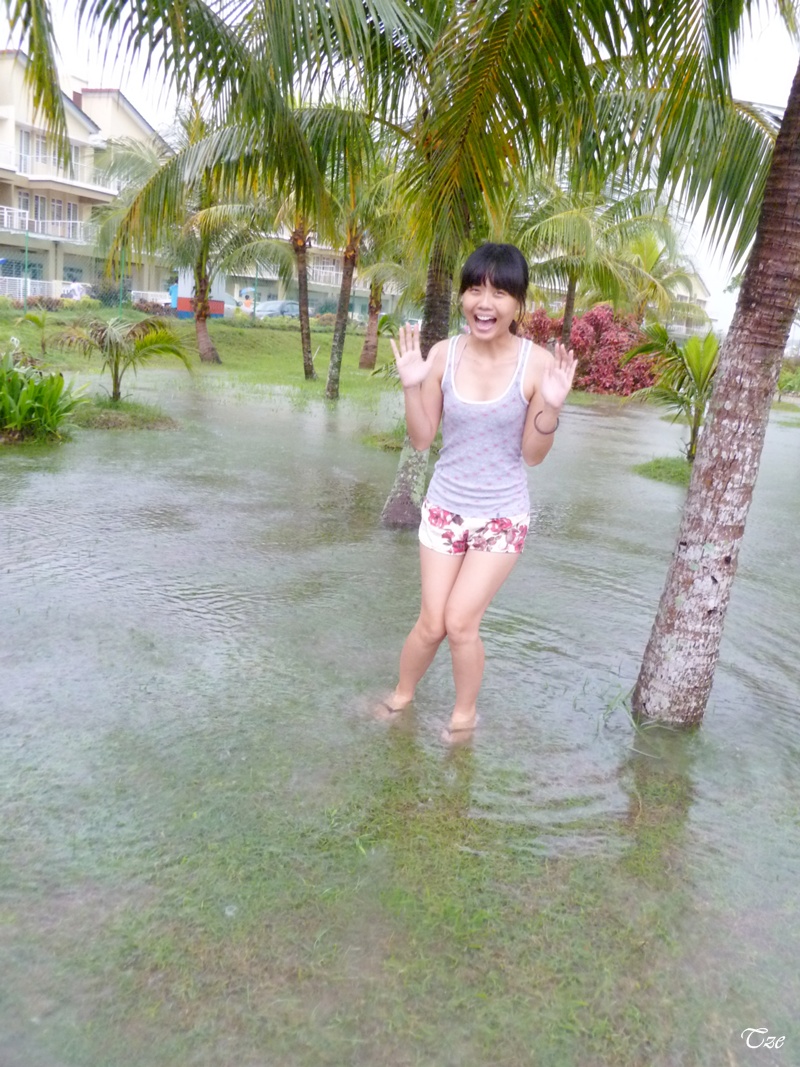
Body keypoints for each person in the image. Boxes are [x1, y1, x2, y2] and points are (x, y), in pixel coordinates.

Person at [380, 242, 576, 741]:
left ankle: (463, 717)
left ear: (518, 303)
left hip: (501, 517)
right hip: (444, 508)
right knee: (432, 624)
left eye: (499, 293)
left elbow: (532, 455)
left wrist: (551, 407)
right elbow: (422, 439)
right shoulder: (444, 354)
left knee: (461, 622)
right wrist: (411, 385)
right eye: (474, 290)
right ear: (463, 297)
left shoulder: (536, 365)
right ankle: (401, 697)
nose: (484, 304)